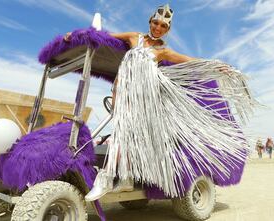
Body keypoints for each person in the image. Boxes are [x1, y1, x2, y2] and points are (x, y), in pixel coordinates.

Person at [65, 4, 256, 201]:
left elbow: (191, 61)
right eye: (156, 23)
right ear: (150, 22)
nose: (158, 28)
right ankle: (119, 177)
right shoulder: (134, 37)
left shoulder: (163, 52)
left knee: (128, 136)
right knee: (122, 132)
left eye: (163, 26)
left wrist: (217, 66)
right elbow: (105, 36)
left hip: (145, 100)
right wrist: (77, 35)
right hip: (122, 93)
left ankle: (112, 178)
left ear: (167, 30)